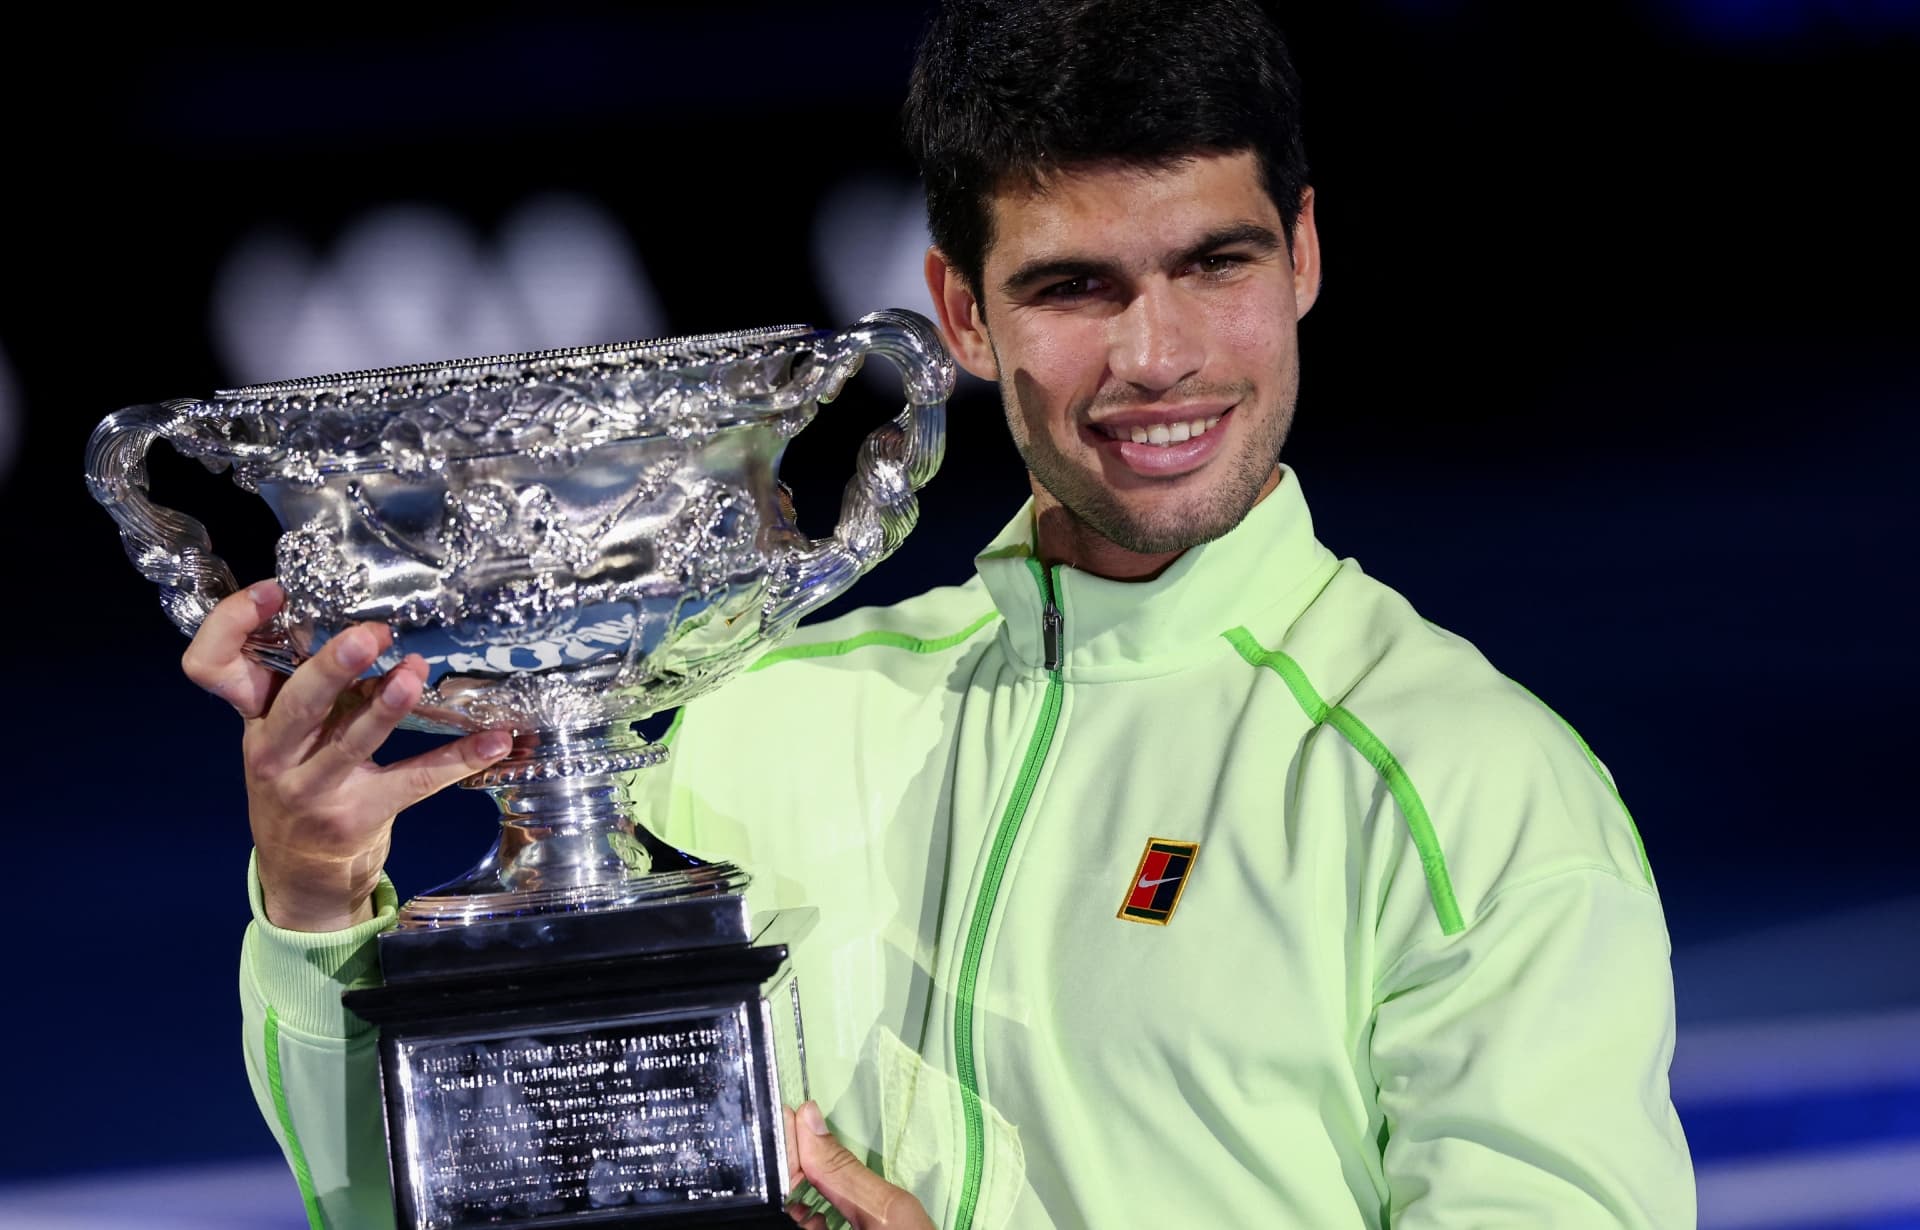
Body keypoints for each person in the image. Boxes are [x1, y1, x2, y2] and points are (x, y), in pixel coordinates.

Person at [187, 2, 1696, 1226]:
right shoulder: (753, 723)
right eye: (1074, 288)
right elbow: (431, 1196)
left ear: (1301, 255)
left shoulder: (1469, 785)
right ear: (960, 314)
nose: (1156, 355)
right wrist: (319, 895)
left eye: (1213, 264)